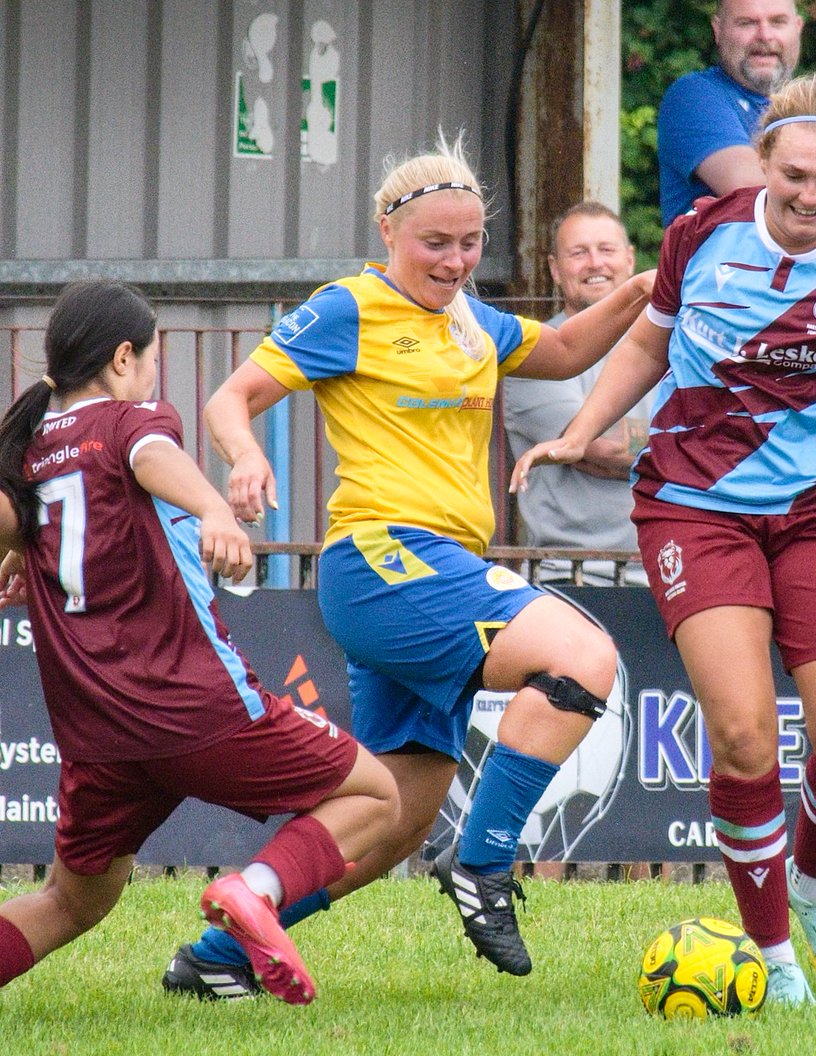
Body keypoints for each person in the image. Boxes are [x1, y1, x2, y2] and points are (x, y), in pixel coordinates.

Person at [513, 74, 816, 1007]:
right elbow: (646, 344)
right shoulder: (701, 234)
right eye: (794, 174)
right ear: (762, 162)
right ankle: (768, 953)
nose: (810, 195)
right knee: (744, 732)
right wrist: (580, 426)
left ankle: (813, 885)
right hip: (694, 504)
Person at [160, 135, 654, 997]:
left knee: (393, 815)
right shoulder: (349, 306)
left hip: (431, 572)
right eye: (437, 243)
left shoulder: (471, 320)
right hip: (385, 561)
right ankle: (486, 864)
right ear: (390, 232)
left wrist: (648, 287)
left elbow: (570, 351)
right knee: (583, 657)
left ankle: (223, 950)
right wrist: (243, 458)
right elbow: (227, 398)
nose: (456, 261)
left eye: (470, 244)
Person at [0, 280, 400, 1006]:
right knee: (376, 794)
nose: (153, 374)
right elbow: (151, 454)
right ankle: (254, 891)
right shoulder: (130, 420)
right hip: (190, 708)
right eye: (150, 358)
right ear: (125, 357)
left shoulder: (28, 454)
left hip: (96, 737)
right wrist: (214, 504)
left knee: (70, 902)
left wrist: (27, 552)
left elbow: (35, 520)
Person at [503, 202, 653, 586]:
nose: (594, 263)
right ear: (555, 269)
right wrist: (684, 447)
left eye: (606, 250)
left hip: (668, 571)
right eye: (578, 253)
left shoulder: (675, 343)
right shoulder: (534, 356)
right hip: (572, 576)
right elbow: (597, 449)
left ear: (630, 259)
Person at [657, 0, 816, 228]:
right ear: (718, 30)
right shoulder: (695, 95)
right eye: (747, 23)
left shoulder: (811, 100)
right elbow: (746, 184)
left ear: (797, 28)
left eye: (777, 22)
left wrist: (797, 178)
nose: (765, 35)